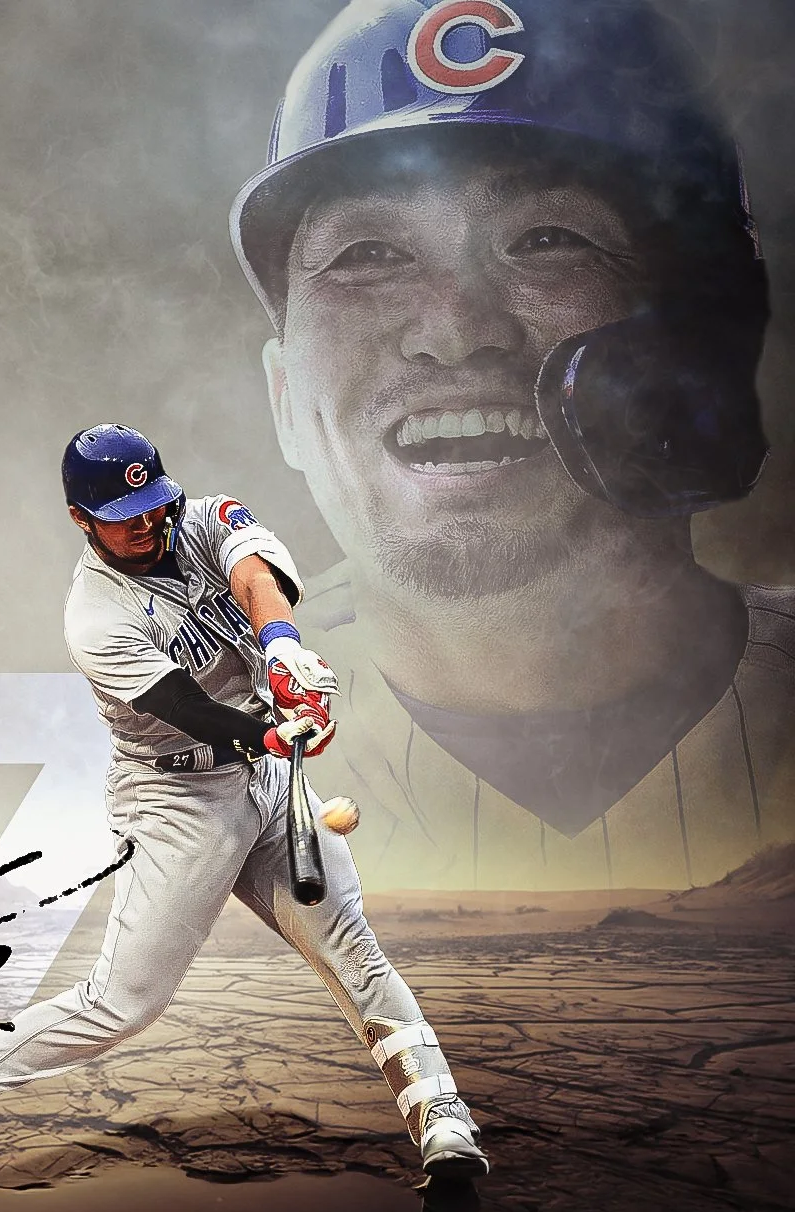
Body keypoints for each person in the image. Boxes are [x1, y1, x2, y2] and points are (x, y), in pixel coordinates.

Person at [230, 0, 795, 892]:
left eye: (545, 239)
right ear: (285, 398)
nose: (455, 331)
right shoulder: (168, 742)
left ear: (704, 348)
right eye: (367, 253)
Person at [0, 423, 489, 1180]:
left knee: (352, 950)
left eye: (152, 504)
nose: (144, 523)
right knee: (122, 1004)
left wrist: (284, 650)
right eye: (120, 515)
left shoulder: (201, 519)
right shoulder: (95, 614)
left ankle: (440, 1115)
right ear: (80, 519)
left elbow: (256, 577)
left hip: (265, 783)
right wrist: (274, 733)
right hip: (173, 795)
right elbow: (191, 712)